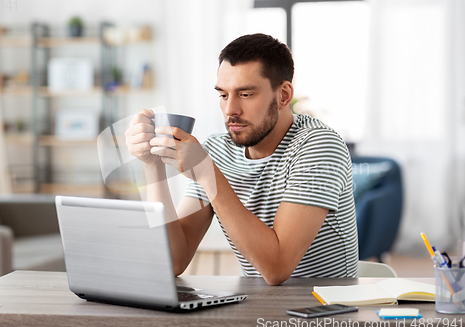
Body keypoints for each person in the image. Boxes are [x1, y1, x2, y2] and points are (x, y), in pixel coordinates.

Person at [125, 33, 358, 285]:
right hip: (257, 307)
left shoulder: (319, 146)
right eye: (223, 95)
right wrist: (152, 165)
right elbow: (173, 260)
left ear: (283, 96)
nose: (230, 110)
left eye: (245, 94)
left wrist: (206, 172)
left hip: (325, 311)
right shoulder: (217, 150)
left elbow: (277, 268)